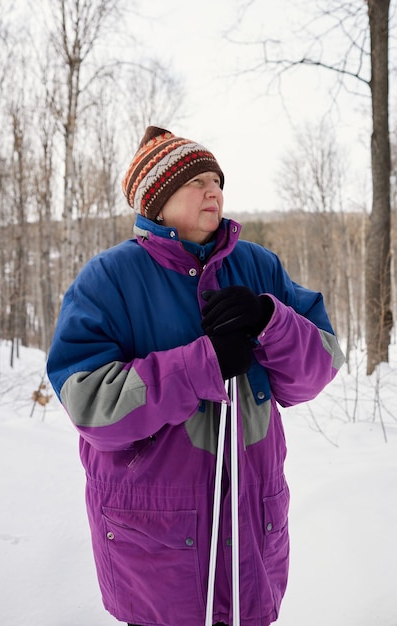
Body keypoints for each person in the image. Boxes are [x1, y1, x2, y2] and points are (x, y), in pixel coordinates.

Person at [47, 126, 345, 626]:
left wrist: (270, 321)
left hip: (252, 526)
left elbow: (318, 369)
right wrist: (201, 366)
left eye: (217, 180)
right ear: (157, 202)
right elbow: (91, 407)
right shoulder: (109, 279)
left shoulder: (257, 266)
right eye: (197, 181)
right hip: (157, 538)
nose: (214, 191)